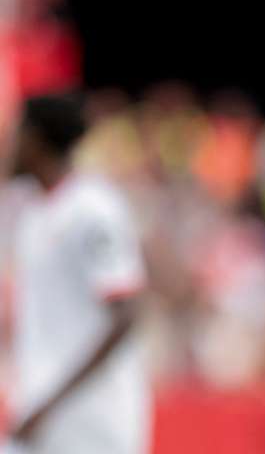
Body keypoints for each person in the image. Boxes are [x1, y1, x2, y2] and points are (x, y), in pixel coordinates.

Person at [4, 95, 149, 454]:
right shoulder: (34, 210)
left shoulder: (93, 209)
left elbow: (126, 314)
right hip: (39, 411)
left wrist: (51, 401)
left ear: (35, 140)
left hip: (92, 420)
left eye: (16, 133)